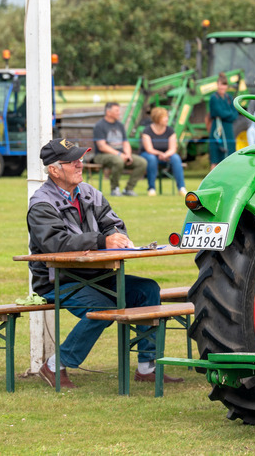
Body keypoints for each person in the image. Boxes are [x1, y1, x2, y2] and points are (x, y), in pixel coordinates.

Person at [27, 138, 183, 389]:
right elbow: (55, 244)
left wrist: (117, 237)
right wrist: (102, 240)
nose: (81, 164)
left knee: (148, 290)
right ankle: (55, 366)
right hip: (60, 280)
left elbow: (114, 224)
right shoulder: (41, 203)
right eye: (73, 161)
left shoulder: (90, 192)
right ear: (54, 170)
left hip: (98, 276)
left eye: (81, 159)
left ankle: (147, 367)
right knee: (102, 307)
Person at [92, 102, 147, 197]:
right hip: (101, 155)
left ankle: (128, 189)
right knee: (118, 161)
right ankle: (115, 189)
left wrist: (128, 155)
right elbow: (102, 146)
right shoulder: (99, 126)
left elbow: (125, 142)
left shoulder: (120, 125)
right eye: (117, 111)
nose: (119, 113)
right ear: (108, 112)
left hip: (121, 154)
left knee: (142, 162)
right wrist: (120, 155)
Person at [139, 107, 186, 195]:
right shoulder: (147, 131)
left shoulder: (170, 130)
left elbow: (173, 148)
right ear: (157, 118)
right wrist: (160, 153)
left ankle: (181, 188)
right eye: (164, 117)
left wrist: (166, 154)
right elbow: (149, 149)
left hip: (166, 155)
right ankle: (151, 188)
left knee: (176, 158)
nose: (167, 119)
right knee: (152, 159)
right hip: (150, 154)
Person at [208, 73, 238, 169]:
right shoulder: (214, 98)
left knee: (230, 154)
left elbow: (235, 113)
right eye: (220, 84)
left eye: (224, 85)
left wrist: (228, 114)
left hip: (228, 128)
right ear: (217, 85)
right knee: (216, 156)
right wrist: (229, 114)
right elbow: (219, 112)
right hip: (217, 128)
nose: (222, 87)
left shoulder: (229, 97)